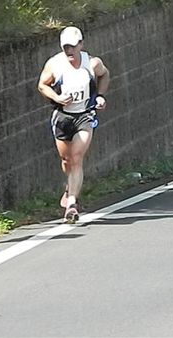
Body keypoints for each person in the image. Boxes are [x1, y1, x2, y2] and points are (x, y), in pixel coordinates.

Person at [37, 26, 110, 223]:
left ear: (81, 45)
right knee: (66, 160)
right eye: (65, 47)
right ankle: (70, 188)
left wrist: (100, 96)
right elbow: (42, 84)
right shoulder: (55, 64)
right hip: (62, 117)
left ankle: (71, 204)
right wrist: (58, 97)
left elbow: (105, 74)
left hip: (84, 116)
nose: (69, 51)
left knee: (77, 157)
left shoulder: (92, 63)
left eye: (72, 47)